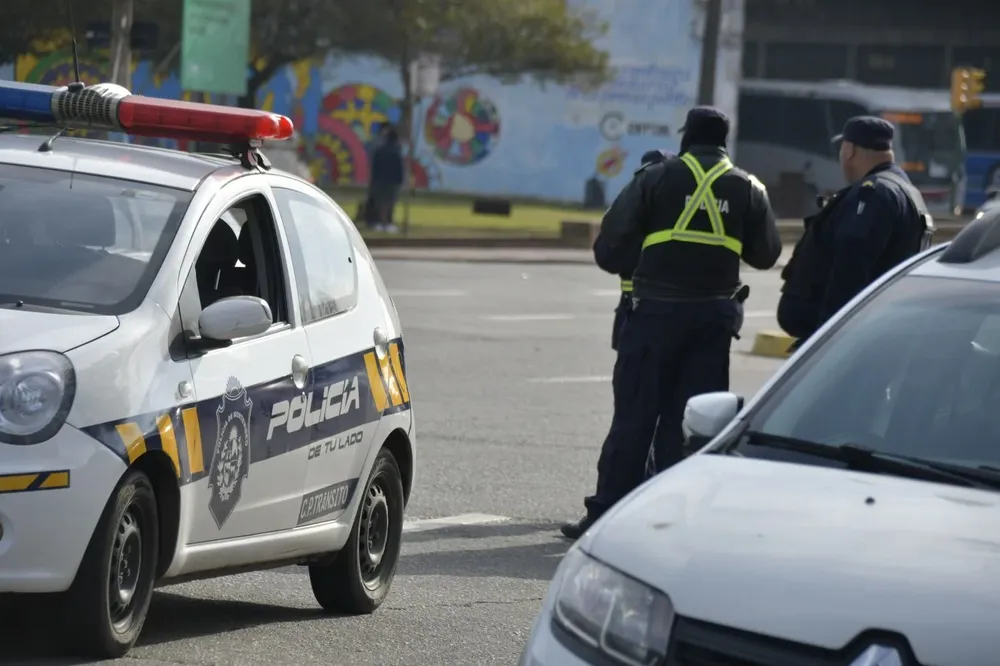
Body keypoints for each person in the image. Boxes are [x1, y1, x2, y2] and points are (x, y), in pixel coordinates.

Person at [561, 107, 781, 540]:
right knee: (689, 425)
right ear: (723, 141)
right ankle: (672, 520)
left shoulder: (657, 177)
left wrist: (647, 257)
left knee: (634, 418)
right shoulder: (748, 187)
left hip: (655, 318)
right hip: (711, 325)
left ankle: (605, 515)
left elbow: (610, 244)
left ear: (687, 137)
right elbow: (766, 253)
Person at [778, 116, 932, 344]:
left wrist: (827, 339)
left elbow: (850, 270)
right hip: (877, 331)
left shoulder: (873, 195)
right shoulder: (905, 192)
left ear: (849, 150)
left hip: (849, 339)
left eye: (842, 149)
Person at [598, 149, 672, 351]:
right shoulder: (681, 212)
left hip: (635, 306)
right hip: (670, 309)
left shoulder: (628, 210)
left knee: (630, 377)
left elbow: (605, 257)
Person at [368, 126, 405, 232]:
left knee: (380, 203)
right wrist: (400, 181)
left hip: (379, 181)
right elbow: (399, 169)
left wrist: (373, 180)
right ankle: (388, 222)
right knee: (390, 203)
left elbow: (375, 167)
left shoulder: (379, 151)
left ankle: (379, 222)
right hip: (392, 182)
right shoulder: (396, 152)